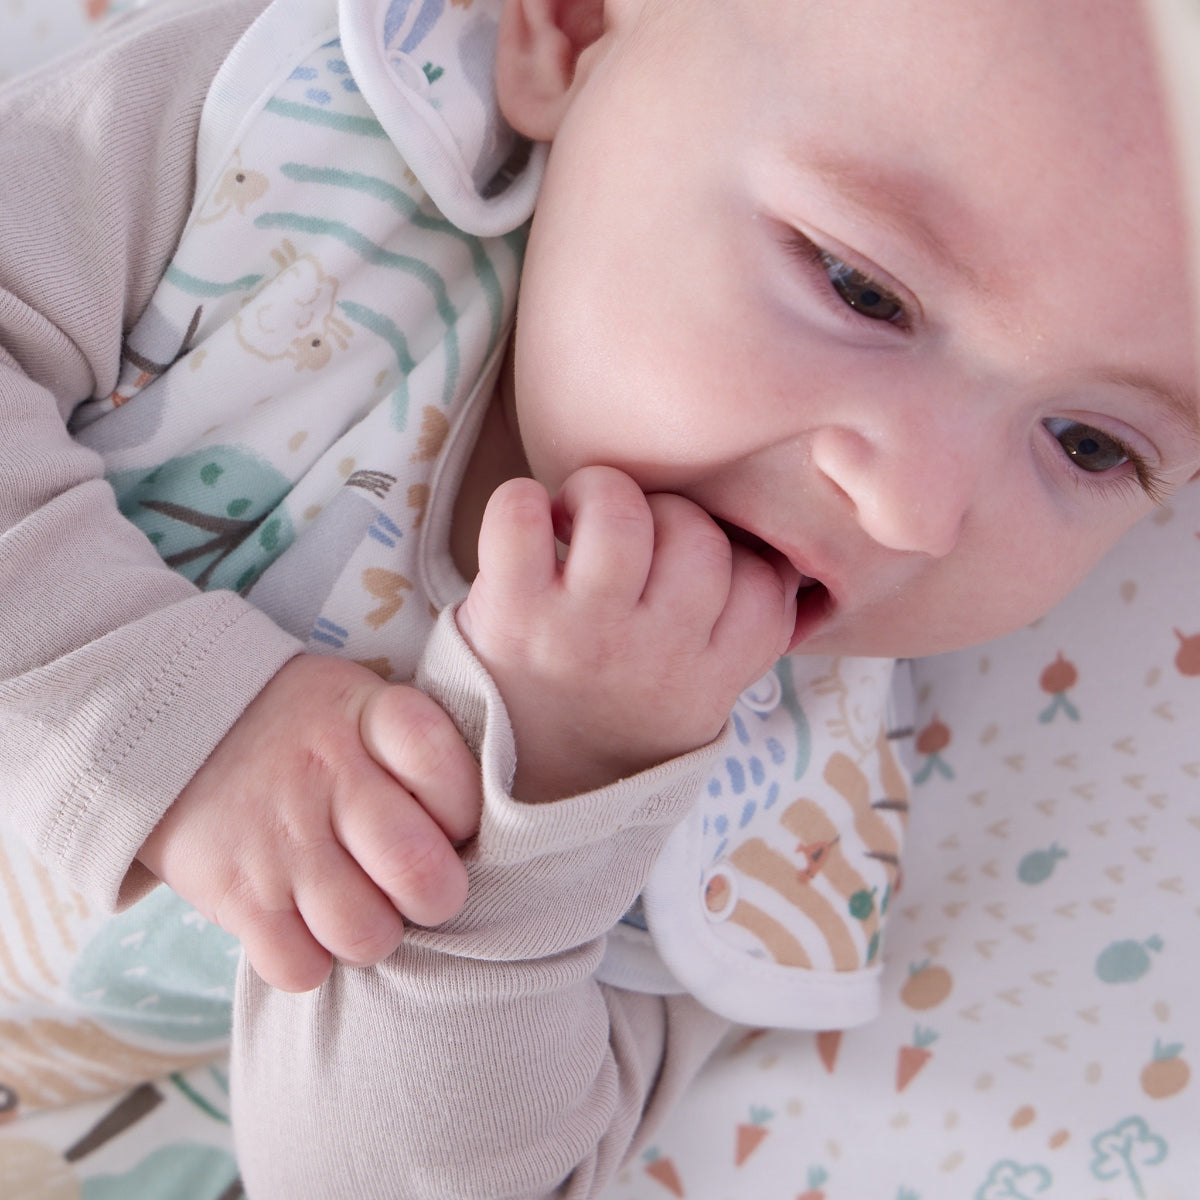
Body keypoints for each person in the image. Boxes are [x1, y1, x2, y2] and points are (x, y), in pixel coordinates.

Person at [0, 0, 1196, 1196]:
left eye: (1090, 445)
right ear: (566, 34)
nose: (914, 512)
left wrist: (551, 814)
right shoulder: (293, 154)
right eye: (860, 288)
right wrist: (174, 730)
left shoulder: (768, 825)